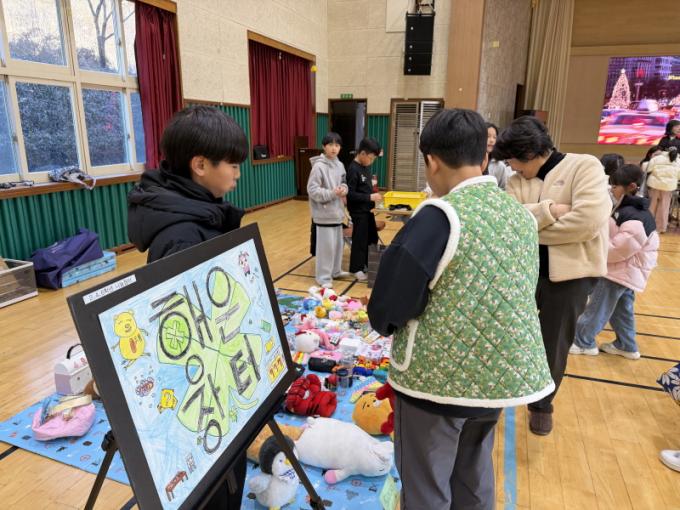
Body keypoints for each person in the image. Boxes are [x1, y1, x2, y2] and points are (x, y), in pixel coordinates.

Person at [368, 109, 553, 510]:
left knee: (426, 485)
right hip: (497, 380)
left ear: (432, 161)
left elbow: (391, 303)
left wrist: (385, 322)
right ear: (484, 157)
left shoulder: (438, 217)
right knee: (473, 474)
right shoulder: (519, 216)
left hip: (436, 384)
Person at [127, 105, 249, 509]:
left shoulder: (202, 213)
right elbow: (182, 338)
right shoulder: (182, 237)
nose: (237, 173)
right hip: (201, 398)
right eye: (232, 164)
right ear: (200, 165)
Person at [496, 116, 610, 436]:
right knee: (508, 335)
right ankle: (502, 390)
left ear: (530, 153)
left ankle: (542, 405)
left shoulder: (584, 166)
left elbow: (587, 223)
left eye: (513, 161)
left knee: (554, 344)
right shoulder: (517, 180)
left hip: (572, 278)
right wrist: (553, 210)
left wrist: (532, 224)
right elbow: (510, 222)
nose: (511, 168)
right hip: (525, 273)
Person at [570, 164, 659, 360]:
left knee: (598, 307)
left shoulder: (634, 215)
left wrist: (594, 248)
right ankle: (626, 345)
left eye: (616, 186)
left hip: (618, 271)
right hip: (625, 272)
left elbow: (620, 249)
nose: (612, 189)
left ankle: (583, 342)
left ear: (631, 186)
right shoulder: (628, 209)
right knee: (621, 310)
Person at [307, 132, 349, 288]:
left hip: (337, 213)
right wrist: (332, 193)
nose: (334, 148)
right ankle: (323, 278)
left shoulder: (340, 165)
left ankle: (335, 271)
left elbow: (344, 182)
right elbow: (312, 190)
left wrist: (344, 189)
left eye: (337, 145)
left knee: (337, 245)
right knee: (326, 248)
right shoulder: (318, 166)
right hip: (324, 214)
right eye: (331, 145)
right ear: (324, 146)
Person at [346, 137, 383, 281]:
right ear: (362, 153)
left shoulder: (365, 167)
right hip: (358, 211)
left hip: (368, 210)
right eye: (371, 158)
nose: (371, 161)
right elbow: (350, 194)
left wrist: (373, 195)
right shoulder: (353, 169)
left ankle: (368, 264)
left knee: (372, 237)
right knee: (360, 239)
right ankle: (356, 268)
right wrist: (369, 197)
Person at [645, 141, 680, 233]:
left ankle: (648, 226)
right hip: (669, 187)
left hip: (654, 184)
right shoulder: (678, 161)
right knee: (664, 207)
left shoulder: (657, 158)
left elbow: (648, 169)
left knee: (652, 206)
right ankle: (661, 228)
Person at [485, 122, 514, 189]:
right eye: (488, 136)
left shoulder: (499, 165)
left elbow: (503, 189)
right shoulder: (472, 163)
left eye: (494, 137)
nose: (492, 140)